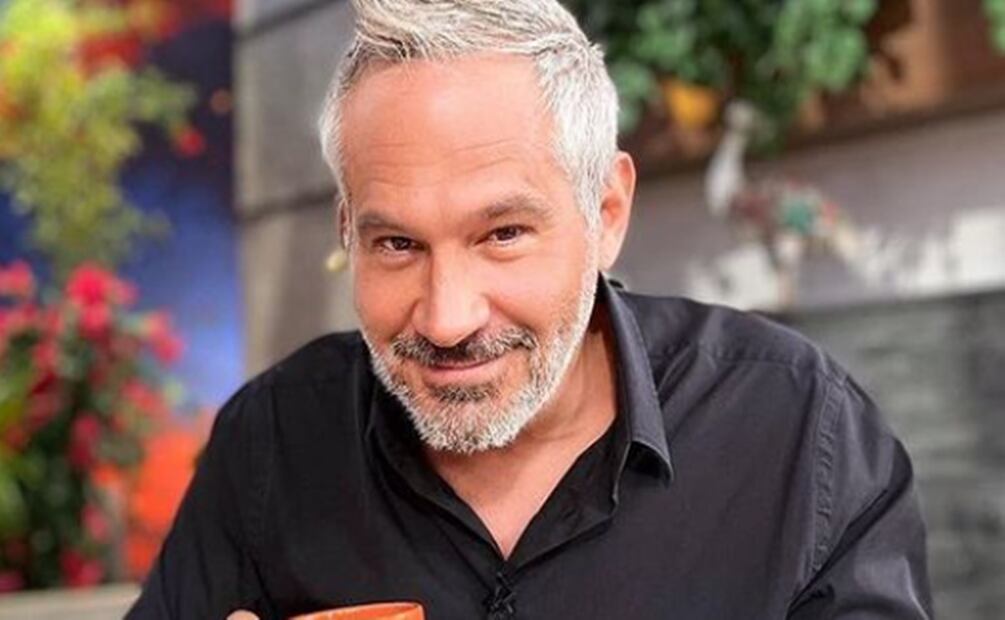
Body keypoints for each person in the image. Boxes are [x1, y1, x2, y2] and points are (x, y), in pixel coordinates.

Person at [127, 0, 933, 618]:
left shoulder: (797, 431)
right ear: (348, 233)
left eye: (503, 234)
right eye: (397, 245)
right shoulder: (271, 442)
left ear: (605, 213)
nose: (446, 319)